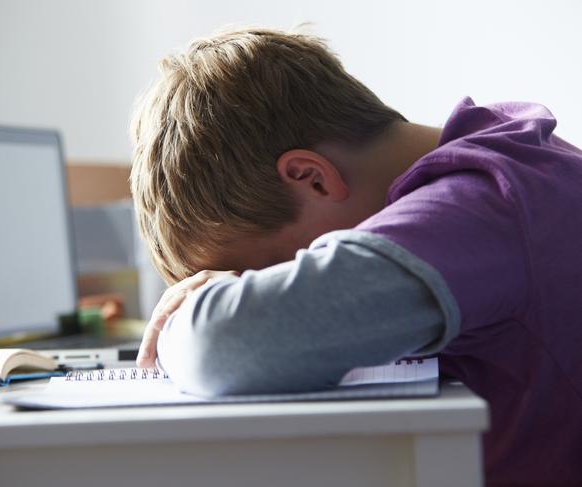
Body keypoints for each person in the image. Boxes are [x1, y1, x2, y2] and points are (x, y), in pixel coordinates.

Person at [129, 27, 582, 486]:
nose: (267, 292)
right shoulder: (511, 162)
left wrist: (183, 316)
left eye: (267, 275)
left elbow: (222, 346)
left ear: (313, 179)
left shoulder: (482, 208)